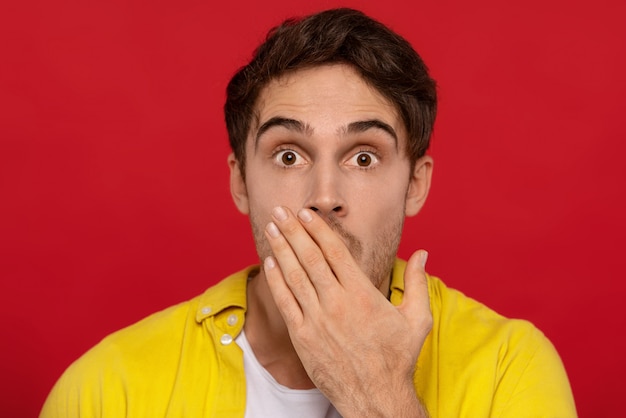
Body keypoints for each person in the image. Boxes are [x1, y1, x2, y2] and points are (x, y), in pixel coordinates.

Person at [40, 8, 577, 417]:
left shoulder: (512, 367)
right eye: (289, 155)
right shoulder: (110, 387)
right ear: (240, 182)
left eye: (364, 156)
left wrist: (381, 395)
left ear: (415, 185)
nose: (324, 196)